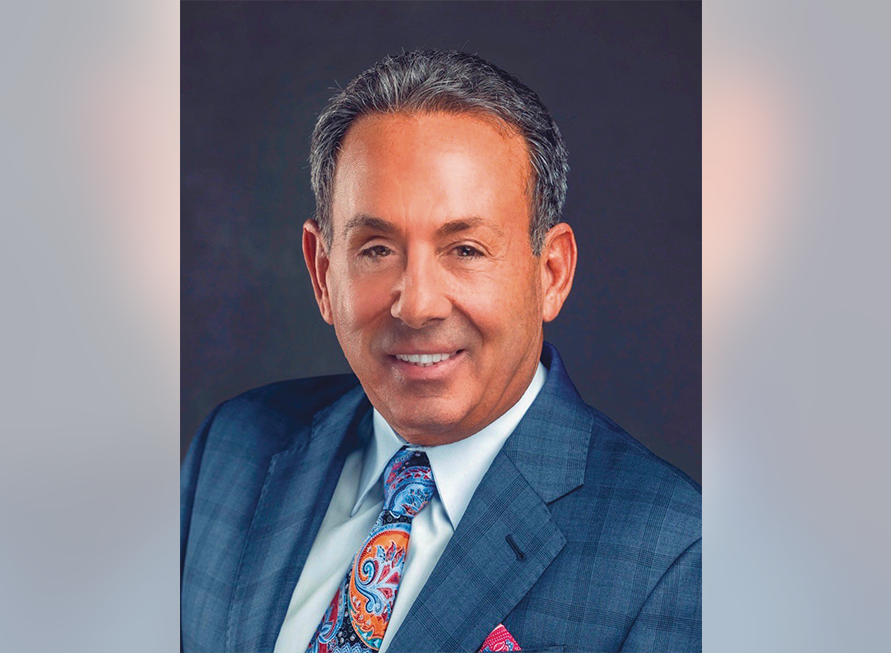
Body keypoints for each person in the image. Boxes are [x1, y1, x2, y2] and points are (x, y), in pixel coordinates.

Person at [181, 49, 700, 653]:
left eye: (466, 250)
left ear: (551, 274)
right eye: (377, 249)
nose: (417, 305)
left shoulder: (673, 556)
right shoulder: (233, 448)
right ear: (322, 274)